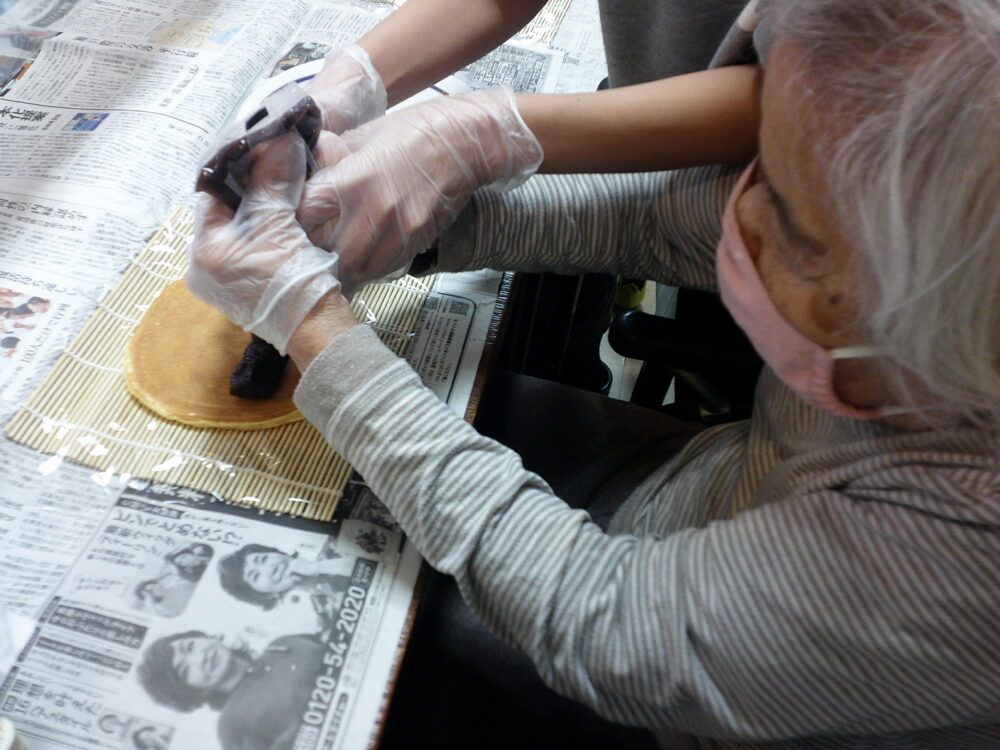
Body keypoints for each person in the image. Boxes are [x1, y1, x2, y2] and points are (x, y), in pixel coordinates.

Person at [186, 2, 1000, 750]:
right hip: (698, 489)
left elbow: (602, 625)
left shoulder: (963, 559)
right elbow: (661, 220)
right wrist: (410, 221)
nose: (740, 208)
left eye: (782, 211)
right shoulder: (925, 261)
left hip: (678, 691)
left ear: (919, 330)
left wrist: (313, 323)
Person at [137, 630, 327, 749]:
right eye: (185, 670)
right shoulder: (231, 727)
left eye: (190, 646)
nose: (200, 658)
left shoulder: (282, 644)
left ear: (204, 636)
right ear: (192, 692)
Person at [217, 543, 354, 610]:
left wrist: (316, 567)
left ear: (277, 552)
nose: (270, 569)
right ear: (264, 595)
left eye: (264, 559)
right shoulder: (321, 610)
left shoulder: (334, 547)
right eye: (256, 576)